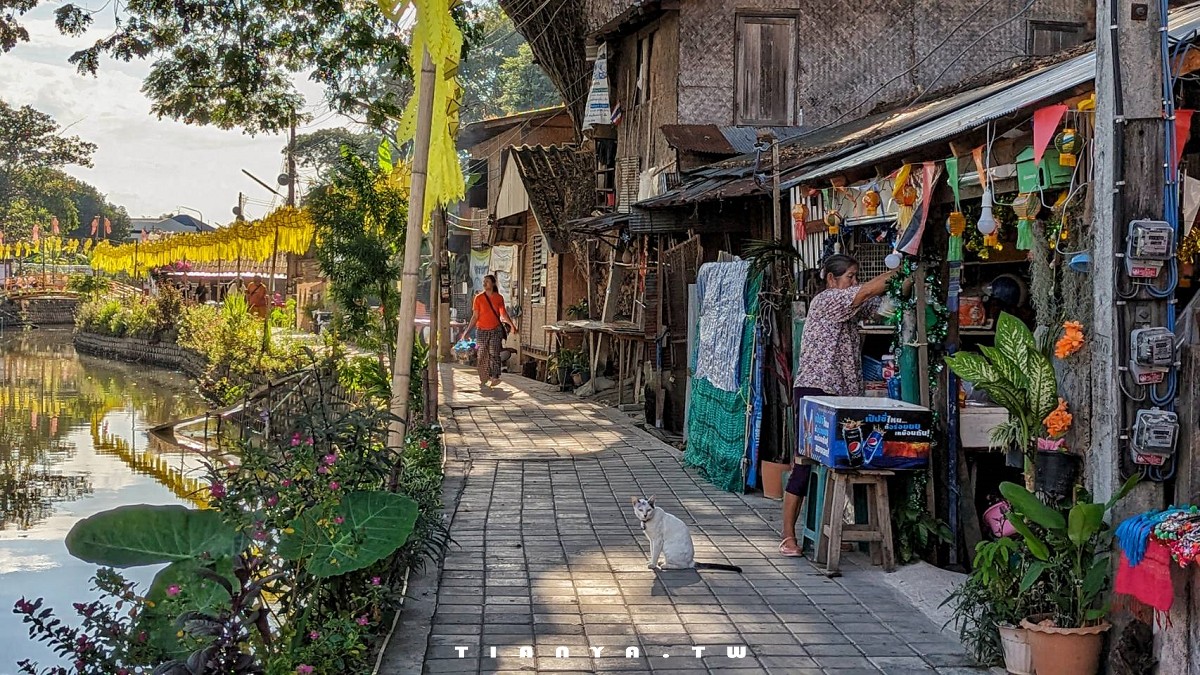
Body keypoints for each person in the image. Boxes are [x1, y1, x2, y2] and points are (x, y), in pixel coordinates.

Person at [779, 254, 906, 557]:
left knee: (842, 462)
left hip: (843, 393)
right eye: (849, 276)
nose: (854, 281)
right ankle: (787, 537)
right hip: (815, 389)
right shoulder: (826, 300)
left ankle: (837, 528)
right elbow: (866, 292)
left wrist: (906, 281)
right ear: (832, 279)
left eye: (855, 276)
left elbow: (881, 303)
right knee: (803, 463)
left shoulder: (850, 303)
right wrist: (902, 267)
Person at [460, 274, 518, 388]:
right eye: (484, 281)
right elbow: (475, 316)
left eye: (487, 281)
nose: (484, 283)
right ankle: (484, 376)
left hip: (495, 330)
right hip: (481, 330)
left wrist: (512, 325)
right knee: (482, 354)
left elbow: (503, 314)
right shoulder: (479, 298)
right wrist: (467, 332)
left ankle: (495, 376)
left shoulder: (498, 298)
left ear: (493, 283)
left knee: (494, 353)